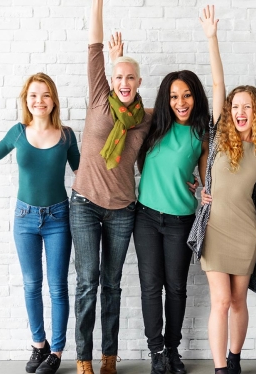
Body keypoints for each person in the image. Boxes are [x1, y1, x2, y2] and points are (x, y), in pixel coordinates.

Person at [0, 72, 80, 374]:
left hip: (58, 218)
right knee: (31, 285)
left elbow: (83, 172)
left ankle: (55, 352)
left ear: (53, 100)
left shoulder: (67, 135)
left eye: (44, 95)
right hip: (24, 218)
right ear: (26, 100)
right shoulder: (18, 132)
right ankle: (38, 346)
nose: (39, 101)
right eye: (33, 96)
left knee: (57, 288)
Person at [70, 1, 153, 373]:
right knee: (87, 282)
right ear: (110, 80)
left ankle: (109, 357)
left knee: (113, 284)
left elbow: (179, 137)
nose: (123, 83)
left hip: (123, 209)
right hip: (85, 203)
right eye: (118, 76)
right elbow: (94, 46)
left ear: (138, 83)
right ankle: (84, 358)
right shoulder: (100, 99)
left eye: (129, 78)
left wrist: (194, 175)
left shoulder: (146, 119)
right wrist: (97, 6)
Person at [195, 5, 256, 374]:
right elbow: (216, 85)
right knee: (221, 301)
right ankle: (221, 368)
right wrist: (212, 38)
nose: (240, 110)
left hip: (245, 231)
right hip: (214, 229)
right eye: (236, 106)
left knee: (239, 301)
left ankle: (236, 360)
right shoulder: (220, 135)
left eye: (247, 106)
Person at [133, 69, 209, 374]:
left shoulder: (202, 132)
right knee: (151, 287)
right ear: (166, 99)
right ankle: (157, 352)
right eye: (174, 96)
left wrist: (200, 187)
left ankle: (174, 350)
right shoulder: (153, 123)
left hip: (181, 220)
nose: (181, 102)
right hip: (147, 218)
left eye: (187, 95)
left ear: (196, 97)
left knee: (176, 288)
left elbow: (208, 181)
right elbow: (124, 108)